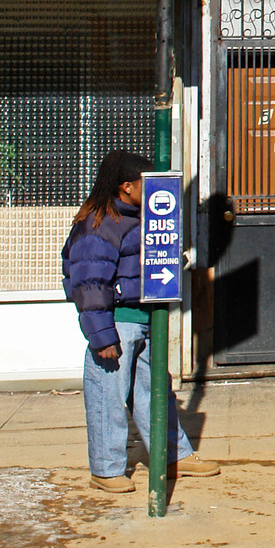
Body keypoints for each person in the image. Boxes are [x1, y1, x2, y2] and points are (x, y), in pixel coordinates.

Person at [61, 150, 219, 492]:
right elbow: (89, 285)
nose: (153, 191)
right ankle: (106, 470)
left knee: (155, 392)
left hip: (146, 320)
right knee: (109, 398)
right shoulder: (98, 226)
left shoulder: (139, 219)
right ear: (125, 188)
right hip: (115, 324)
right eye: (144, 185)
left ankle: (174, 454)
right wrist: (102, 337)